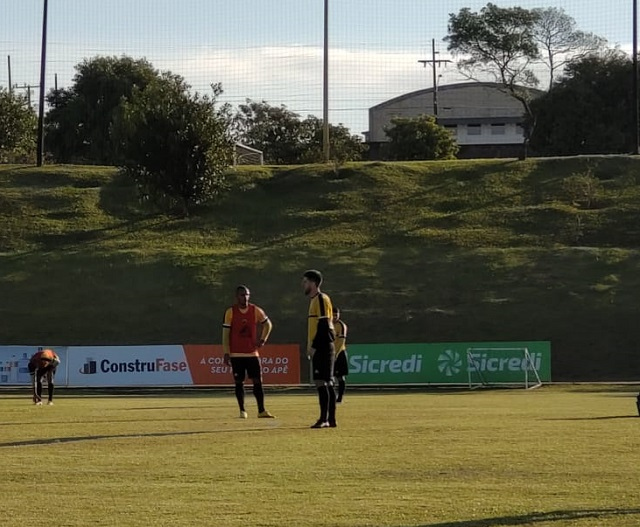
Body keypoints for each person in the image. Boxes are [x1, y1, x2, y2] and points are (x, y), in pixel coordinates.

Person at [222, 285, 276, 419]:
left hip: (252, 353)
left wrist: (262, 340)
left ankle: (261, 410)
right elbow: (225, 334)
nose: (244, 297)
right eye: (242, 295)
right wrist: (226, 352)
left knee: (258, 381)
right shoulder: (231, 312)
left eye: (246, 295)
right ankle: (242, 410)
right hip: (236, 354)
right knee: (239, 382)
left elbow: (268, 324)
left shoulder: (255, 310)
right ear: (237, 297)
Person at [303, 269, 337, 428]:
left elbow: (324, 325)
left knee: (322, 382)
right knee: (325, 382)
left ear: (313, 283)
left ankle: (325, 419)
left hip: (323, 346)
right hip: (321, 345)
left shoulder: (321, 299)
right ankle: (330, 419)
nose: (303, 285)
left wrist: (314, 347)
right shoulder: (314, 300)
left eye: (305, 282)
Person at [333, 308, 349, 404]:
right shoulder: (327, 325)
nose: (335, 317)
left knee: (340, 377)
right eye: (333, 315)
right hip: (329, 354)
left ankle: (340, 397)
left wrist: (336, 353)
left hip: (339, 353)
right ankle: (332, 396)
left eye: (336, 315)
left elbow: (341, 341)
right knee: (329, 378)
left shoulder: (341, 326)